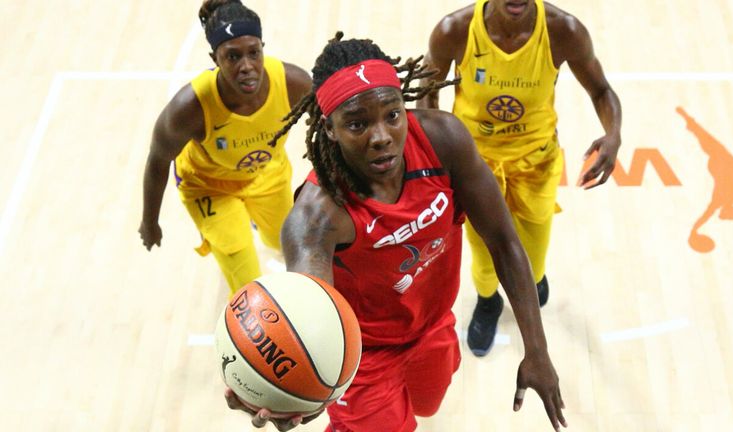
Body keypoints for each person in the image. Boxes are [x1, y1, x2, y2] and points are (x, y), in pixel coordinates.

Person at [224, 33, 567, 432]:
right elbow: (310, 318)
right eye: (357, 123)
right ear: (330, 129)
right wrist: (298, 392)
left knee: (428, 404)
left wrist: (537, 350)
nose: (382, 136)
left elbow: (505, 242)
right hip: (363, 356)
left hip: (433, 322)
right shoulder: (316, 217)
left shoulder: (444, 141)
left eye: (392, 114)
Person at [417, 0, 622, 356]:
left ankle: (533, 276)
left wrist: (613, 134)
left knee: (535, 249)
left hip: (536, 159)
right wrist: (437, 157)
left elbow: (601, 90)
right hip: (474, 164)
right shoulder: (455, 30)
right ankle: (488, 300)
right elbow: (425, 91)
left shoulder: (563, 31)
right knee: (484, 251)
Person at [138, 0, 312, 294]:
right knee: (246, 279)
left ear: (262, 48)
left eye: (253, 53)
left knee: (280, 239)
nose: (246, 66)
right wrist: (149, 221)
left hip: (266, 171)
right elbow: (158, 161)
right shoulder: (189, 108)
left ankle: (258, 222)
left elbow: (332, 123)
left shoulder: (294, 82)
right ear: (215, 58)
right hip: (210, 186)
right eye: (232, 57)